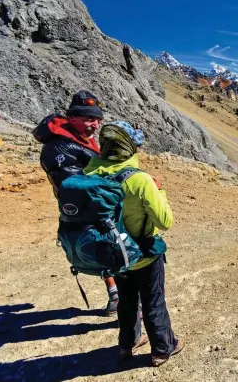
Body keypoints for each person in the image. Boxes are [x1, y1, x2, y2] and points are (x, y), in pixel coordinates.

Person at [83, 121, 184, 366]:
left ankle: (127, 344)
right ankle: (162, 348)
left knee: (127, 301)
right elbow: (165, 221)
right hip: (144, 255)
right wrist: (160, 191)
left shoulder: (89, 174)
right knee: (153, 300)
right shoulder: (139, 180)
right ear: (128, 148)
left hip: (114, 255)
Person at [33, 90, 120, 316]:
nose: (95, 125)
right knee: (106, 246)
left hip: (95, 204)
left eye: (98, 120)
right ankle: (120, 298)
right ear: (72, 118)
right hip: (87, 208)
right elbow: (72, 183)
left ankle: (117, 294)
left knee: (108, 246)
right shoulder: (59, 146)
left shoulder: (80, 140)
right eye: (89, 119)